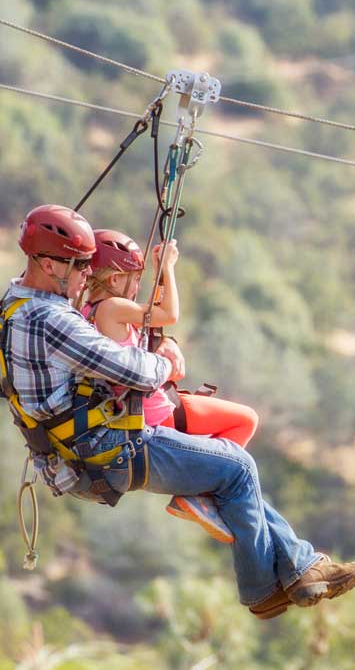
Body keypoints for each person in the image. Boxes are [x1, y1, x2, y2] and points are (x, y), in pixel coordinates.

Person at [0, 204, 355, 619]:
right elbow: (135, 371)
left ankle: (302, 568)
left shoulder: (14, 305)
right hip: (109, 448)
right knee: (239, 468)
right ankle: (263, 588)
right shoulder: (52, 320)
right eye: (80, 265)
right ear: (49, 264)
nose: (88, 273)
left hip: (77, 453)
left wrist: (156, 346)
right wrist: (164, 361)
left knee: (230, 477)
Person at [81, 229, 259, 542]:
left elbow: (151, 320)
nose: (137, 287)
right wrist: (168, 267)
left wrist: (159, 274)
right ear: (113, 280)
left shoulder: (88, 313)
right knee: (245, 420)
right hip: (155, 414)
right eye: (134, 278)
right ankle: (201, 494)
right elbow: (167, 314)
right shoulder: (111, 309)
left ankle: (204, 488)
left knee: (235, 428)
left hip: (144, 410)